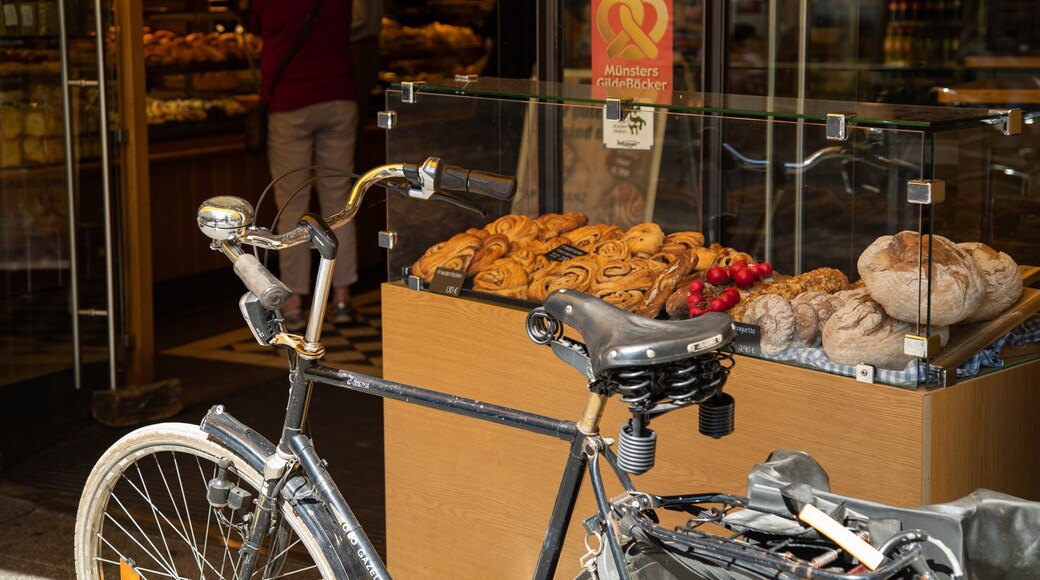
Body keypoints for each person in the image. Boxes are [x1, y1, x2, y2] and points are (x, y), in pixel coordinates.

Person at [251, 0, 358, 330]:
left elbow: (257, 39)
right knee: (341, 202)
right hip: (339, 97)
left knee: (292, 202)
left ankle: (295, 298)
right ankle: (341, 296)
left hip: (290, 101)